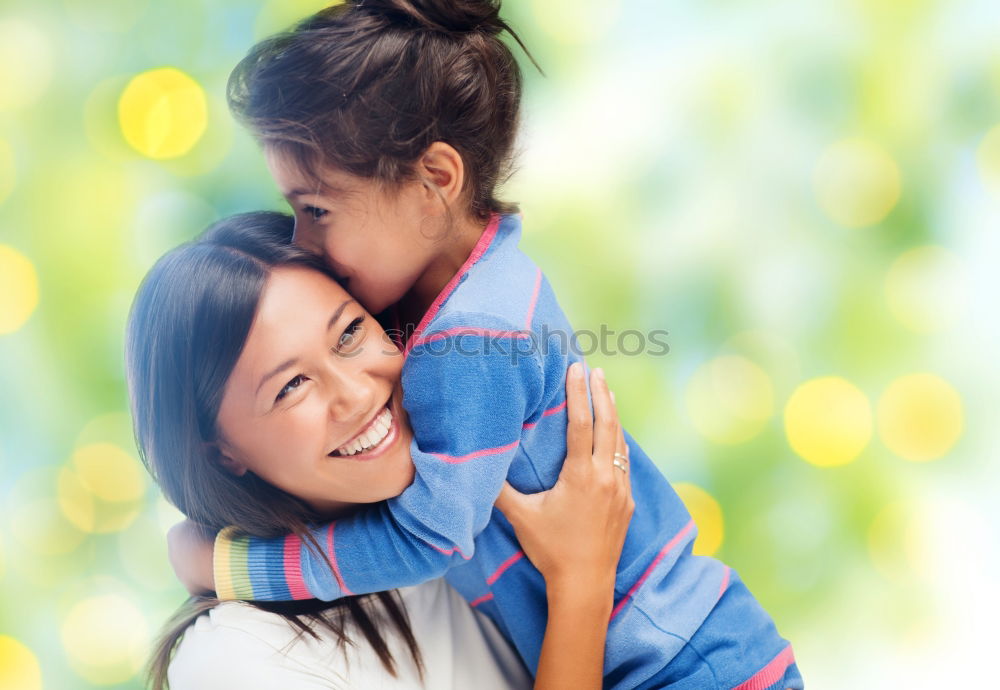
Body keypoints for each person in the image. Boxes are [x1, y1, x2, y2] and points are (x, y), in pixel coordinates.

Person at [171, 1, 803, 687]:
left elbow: (427, 537)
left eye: (317, 209)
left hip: (683, 665)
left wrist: (231, 565)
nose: (303, 242)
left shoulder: (470, 339)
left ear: (435, 182)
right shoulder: (480, 281)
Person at [127, 211, 635, 689]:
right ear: (221, 455)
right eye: (291, 386)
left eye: (350, 332)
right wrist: (581, 580)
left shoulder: (461, 489)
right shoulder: (235, 658)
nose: (357, 395)